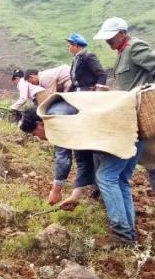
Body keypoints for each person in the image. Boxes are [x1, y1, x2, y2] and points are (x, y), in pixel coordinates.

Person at [19, 104, 143, 246]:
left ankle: (122, 235)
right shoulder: (69, 117)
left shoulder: (58, 119)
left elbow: (63, 157)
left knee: (106, 177)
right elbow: (84, 161)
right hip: (135, 133)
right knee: (120, 180)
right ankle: (129, 235)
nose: (39, 139)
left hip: (124, 133)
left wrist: (56, 190)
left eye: (35, 134)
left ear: (39, 124)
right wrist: (75, 196)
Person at [93, 17, 155, 213]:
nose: (108, 42)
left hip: (143, 112)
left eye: (111, 37)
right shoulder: (121, 53)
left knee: (153, 156)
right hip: (131, 112)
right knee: (144, 155)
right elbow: (131, 84)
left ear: (122, 33)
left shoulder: (134, 48)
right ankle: (102, 191)